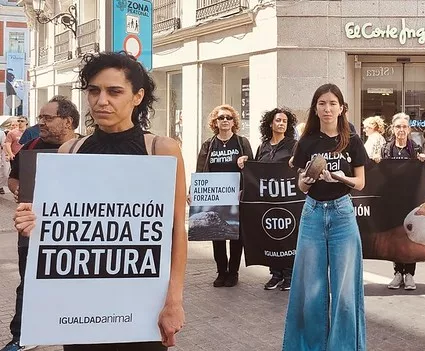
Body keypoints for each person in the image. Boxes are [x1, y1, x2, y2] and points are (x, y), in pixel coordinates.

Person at [13, 51, 186, 350]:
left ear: (137, 96)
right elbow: (62, 225)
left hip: (141, 303)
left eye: (114, 91)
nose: (101, 100)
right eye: (94, 90)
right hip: (82, 305)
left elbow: (176, 230)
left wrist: (174, 300)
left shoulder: (161, 149)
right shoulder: (70, 150)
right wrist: (32, 223)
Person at [282, 83, 367, 350]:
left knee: (344, 291)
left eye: (332, 103)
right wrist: (308, 178)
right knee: (311, 290)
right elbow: (301, 186)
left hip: (342, 213)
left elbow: (361, 182)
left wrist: (339, 177)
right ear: (315, 108)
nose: (327, 108)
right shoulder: (306, 142)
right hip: (313, 213)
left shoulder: (352, 140)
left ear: (342, 108)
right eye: (322, 103)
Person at [1, 96, 79, 351]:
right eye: (41, 118)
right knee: (29, 283)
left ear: (67, 121)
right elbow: (13, 179)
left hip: (77, 234)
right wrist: (18, 189)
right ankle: (21, 337)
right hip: (33, 231)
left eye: (47, 118)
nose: (40, 123)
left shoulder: (87, 146)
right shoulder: (31, 144)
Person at [237, 107, 298, 291]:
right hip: (267, 200)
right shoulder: (263, 146)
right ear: (270, 123)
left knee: (287, 235)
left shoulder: (293, 145)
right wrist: (245, 162)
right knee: (270, 235)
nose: (281, 124)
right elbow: (256, 171)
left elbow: (300, 166)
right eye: (278, 120)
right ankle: (275, 274)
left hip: (288, 198)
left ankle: (289, 274)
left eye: (284, 121)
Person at [195, 104, 253, 288]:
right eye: (221, 118)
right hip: (216, 197)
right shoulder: (209, 144)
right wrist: (193, 192)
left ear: (234, 121)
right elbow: (201, 169)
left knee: (236, 236)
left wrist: (246, 162)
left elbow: (253, 168)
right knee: (217, 234)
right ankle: (221, 272)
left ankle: (233, 272)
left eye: (228, 117)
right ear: (215, 122)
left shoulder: (241, 143)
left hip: (237, 196)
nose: (225, 120)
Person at [380, 112, 425, 290]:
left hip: (411, 200)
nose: (401, 130)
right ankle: (397, 273)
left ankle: (409, 274)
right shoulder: (386, 149)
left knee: (411, 237)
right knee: (395, 238)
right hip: (392, 200)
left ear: (409, 129)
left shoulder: (415, 149)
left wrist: (424, 162)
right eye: (398, 126)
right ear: (393, 129)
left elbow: (424, 175)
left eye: (404, 127)